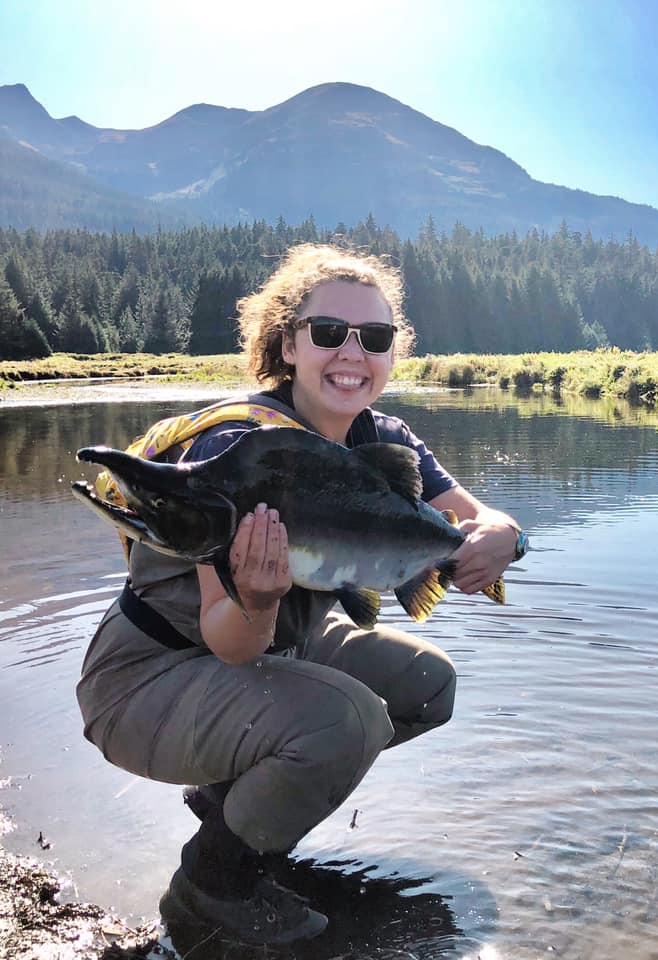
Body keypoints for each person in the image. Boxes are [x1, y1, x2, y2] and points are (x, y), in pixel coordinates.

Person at [75, 244, 528, 946]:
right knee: (349, 721)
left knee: (428, 684)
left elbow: (478, 520)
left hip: (268, 648)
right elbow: (232, 638)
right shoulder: (238, 449)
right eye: (327, 333)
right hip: (150, 677)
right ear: (287, 342)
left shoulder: (386, 439)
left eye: (373, 338)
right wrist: (257, 595)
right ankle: (212, 884)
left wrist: (505, 538)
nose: (352, 352)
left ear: (391, 354)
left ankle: (236, 803)